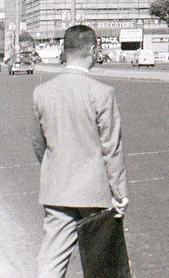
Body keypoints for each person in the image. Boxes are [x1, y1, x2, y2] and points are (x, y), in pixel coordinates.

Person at [31, 24, 128, 278]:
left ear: (65, 51)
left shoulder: (41, 92)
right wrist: (119, 193)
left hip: (57, 191)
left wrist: (57, 166)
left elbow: (38, 146)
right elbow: (111, 148)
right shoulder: (102, 93)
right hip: (94, 194)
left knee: (50, 262)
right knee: (102, 267)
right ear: (94, 51)